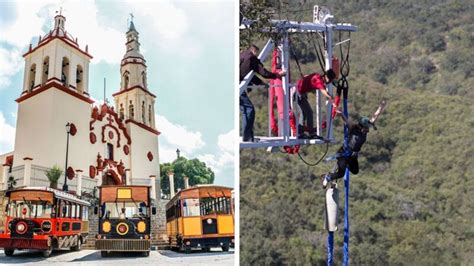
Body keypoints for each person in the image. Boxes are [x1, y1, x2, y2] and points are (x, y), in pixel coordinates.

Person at [240, 44, 285, 142]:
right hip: (237, 87)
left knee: (245, 109)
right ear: (255, 51)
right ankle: (247, 138)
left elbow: (248, 75)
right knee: (249, 110)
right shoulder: (251, 58)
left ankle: (247, 136)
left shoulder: (242, 55)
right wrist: (277, 75)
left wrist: (261, 83)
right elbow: (263, 72)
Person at [322, 109, 376, 189]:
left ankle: (345, 164)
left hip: (352, 156)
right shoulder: (353, 129)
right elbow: (346, 121)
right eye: (367, 128)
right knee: (341, 174)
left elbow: (374, 117)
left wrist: (382, 106)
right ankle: (328, 177)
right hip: (343, 153)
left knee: (355, 170)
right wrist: (341, 113)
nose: (368, 130)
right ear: (361, 127)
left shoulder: (364, 131)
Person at [295, 69, 337, 139]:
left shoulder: (316, 76)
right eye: (329, 81)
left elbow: (308, 78)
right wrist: (331, 99)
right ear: (326, 77)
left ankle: (300, 132)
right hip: (297, 93)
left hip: (299, 92)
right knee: (309, 112)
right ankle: (310, 133)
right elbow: (324, 91)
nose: (329, 83)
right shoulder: (319, 81)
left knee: (304, 113)